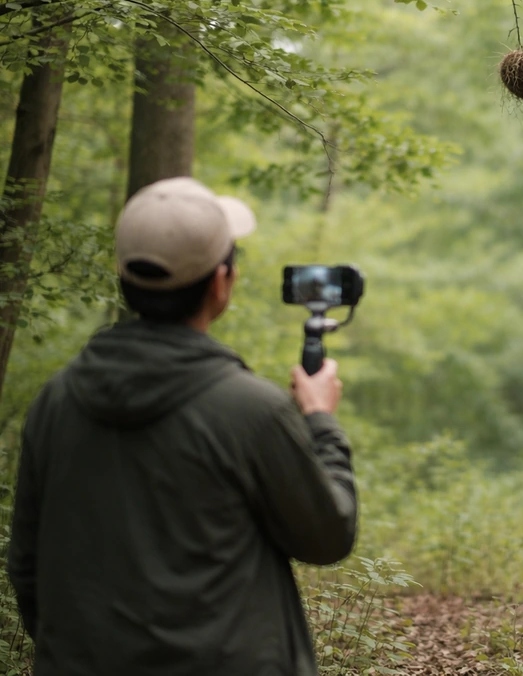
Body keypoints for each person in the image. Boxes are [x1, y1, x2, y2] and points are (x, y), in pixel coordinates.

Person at [7, 177, 358, 676]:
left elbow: (27, 567)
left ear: (123, 277)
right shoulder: (251, 410)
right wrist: (321, 422)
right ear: (221, 283)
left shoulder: (56, 400)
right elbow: (328, 536)